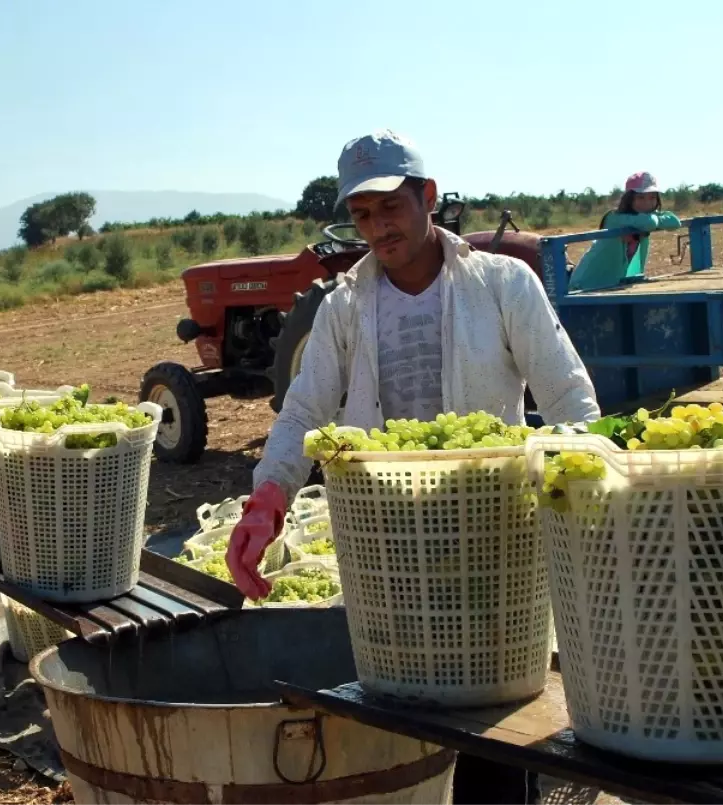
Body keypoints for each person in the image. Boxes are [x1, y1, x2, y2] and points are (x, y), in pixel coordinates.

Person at [226, 129, 601, 805]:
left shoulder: (501, 285)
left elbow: (570, 397)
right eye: (362, 215)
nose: (378, 228)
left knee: (497, 729)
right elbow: (305, 408)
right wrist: (267, 499)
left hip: (494, 538)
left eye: (390, 207)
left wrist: (577, 481)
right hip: (391, 544)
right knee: (405, 718)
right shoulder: (345, 305)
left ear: (426, 197)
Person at [567, 172, 682, 292]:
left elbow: (674, 222)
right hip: (586, 284)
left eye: (652, 197)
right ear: (629, 199)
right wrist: (655, 217)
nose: (647, 203)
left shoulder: (642, 218)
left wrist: (654, 216)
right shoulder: (615, 218)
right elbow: (650, 223)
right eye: (640, 197)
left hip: (611, 286)